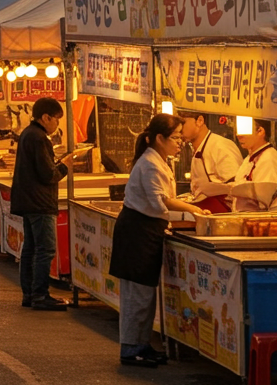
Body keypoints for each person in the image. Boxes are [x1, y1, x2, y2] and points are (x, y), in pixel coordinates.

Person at [110, 115, 208, 367]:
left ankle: (142, 344)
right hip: (137, 233)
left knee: (146, 295)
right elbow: (161, 201)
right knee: (137, 296)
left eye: (180, 137)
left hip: (147, 231)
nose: (180, 142)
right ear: (159, 138)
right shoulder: (150, 164)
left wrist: (190, 207)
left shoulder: (160, 161)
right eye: (175, 138)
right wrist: (194, 210)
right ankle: (131, 349)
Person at [10, 97, 75, 310]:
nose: (57, 125)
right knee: (45, 248)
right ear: (46, 117)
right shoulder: (39, 138)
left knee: (30, 247)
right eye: (56, 120)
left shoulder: (28, 134)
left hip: (28, 200)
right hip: (40, 202)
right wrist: (64, 166)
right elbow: (48, 175)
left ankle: (29, 293)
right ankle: (40, 294)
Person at [180, 111, 240, 213]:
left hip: (223, 214)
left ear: (199, 121)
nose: (179, 128)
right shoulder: (196, 149)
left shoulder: (220, 146)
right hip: (204, 212)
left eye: (182, 122)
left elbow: (236, 187)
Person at [230, 122, 277, 211]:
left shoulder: (269, 159)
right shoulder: (248, 158)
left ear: (260, 131)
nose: (238, 135)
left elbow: (274, 203)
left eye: (244, 129)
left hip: (262, 221)